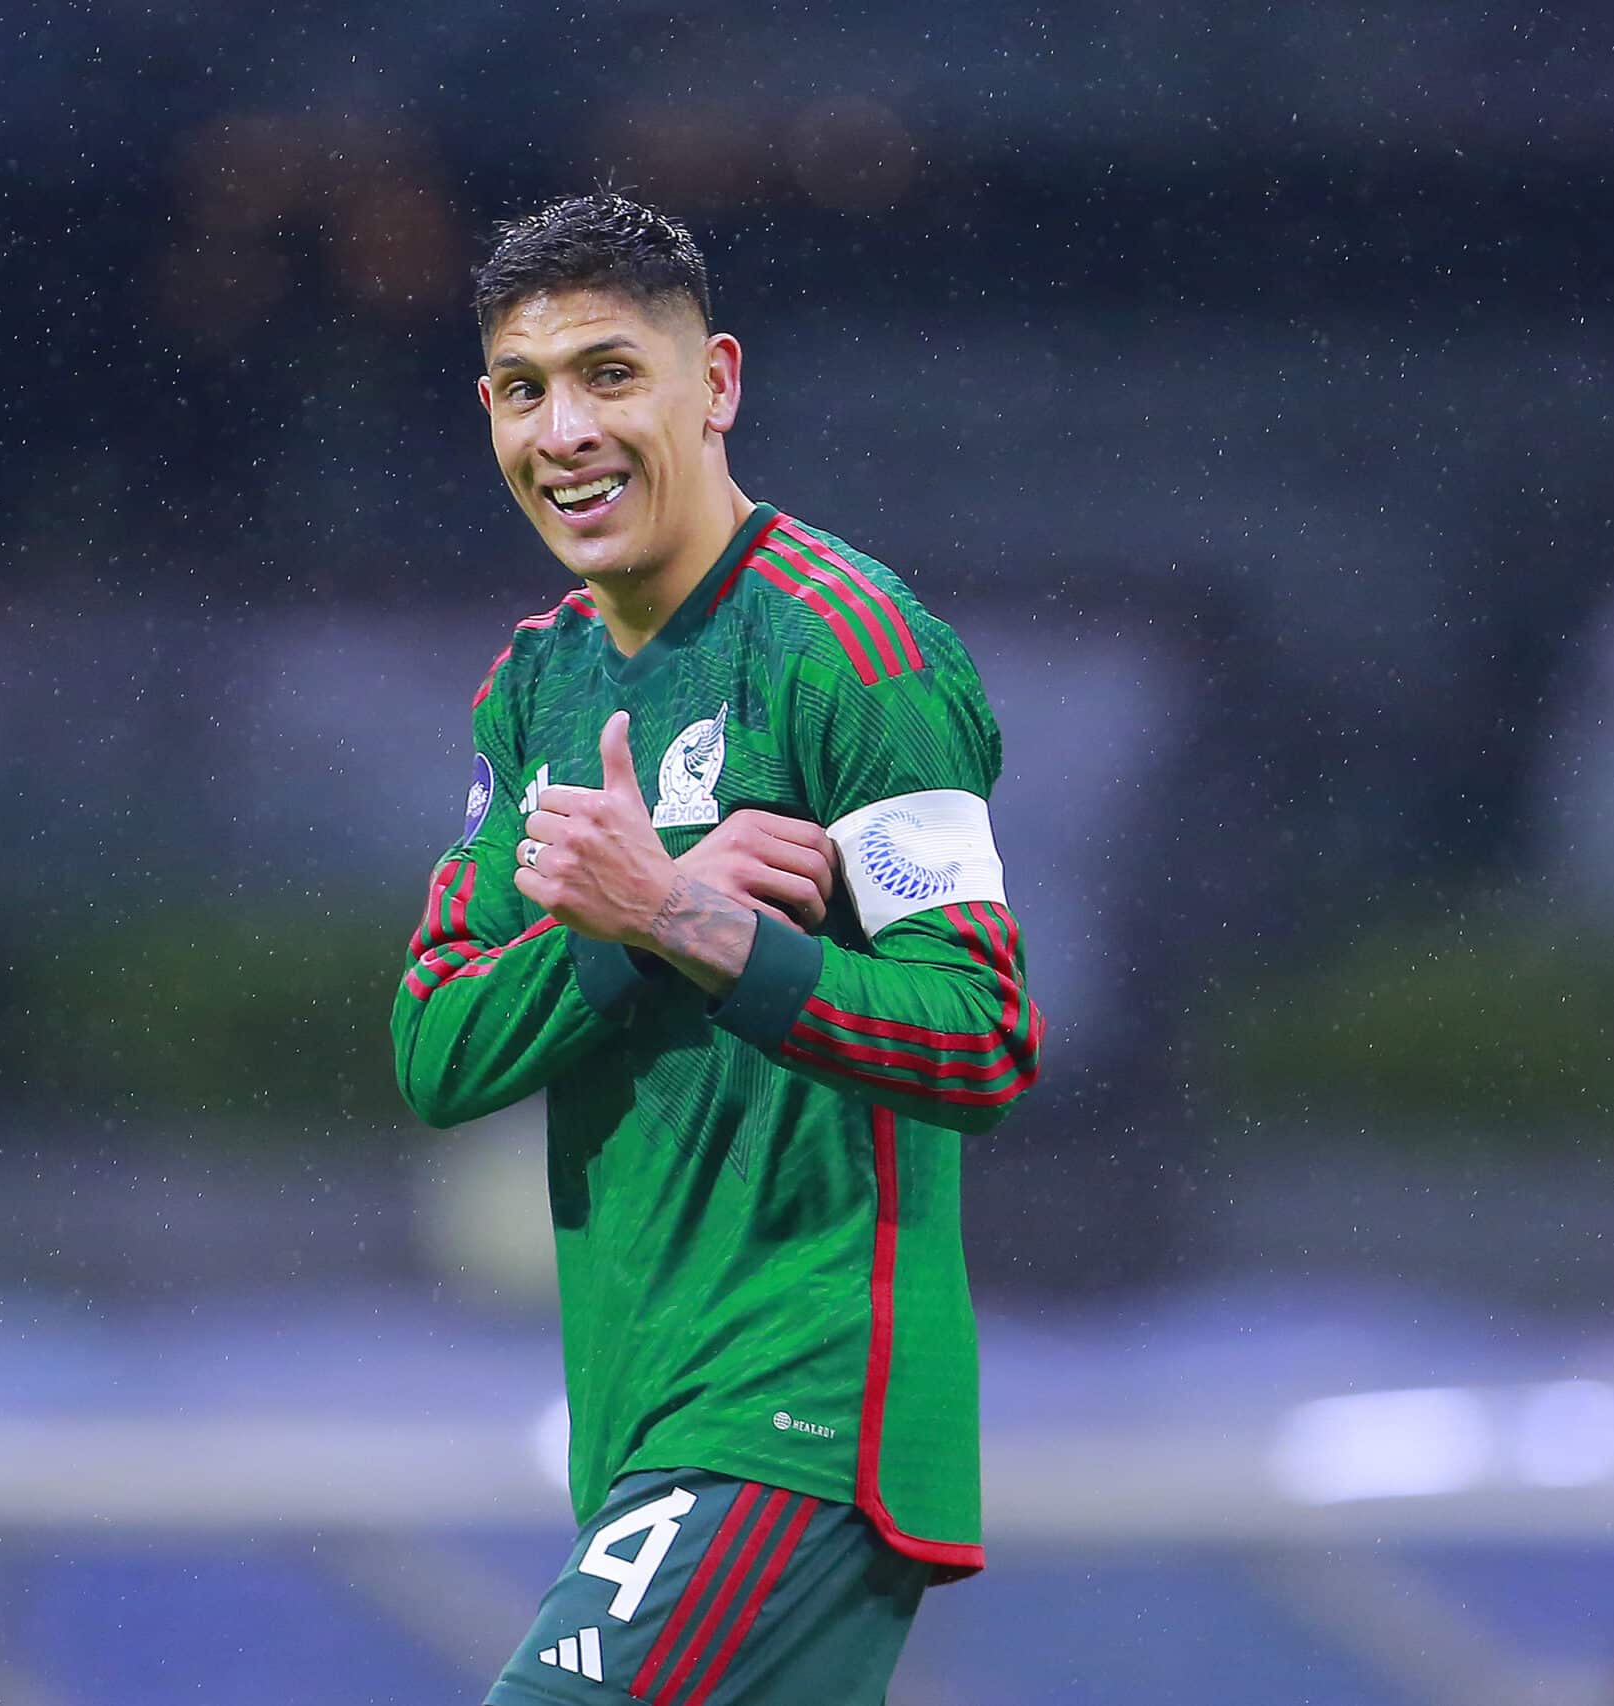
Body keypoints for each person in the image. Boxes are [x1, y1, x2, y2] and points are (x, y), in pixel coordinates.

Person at [390, 194, 1043, 1705]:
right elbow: (436, 1043)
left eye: (611, 374)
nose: (564, 431)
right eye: (522, 389)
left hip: (798, 1408)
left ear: (718, 384)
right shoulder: (535, 682)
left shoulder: (851, 651)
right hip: (639, 1414)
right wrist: (638, 922)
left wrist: (689, 923)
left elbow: (983, 1032)